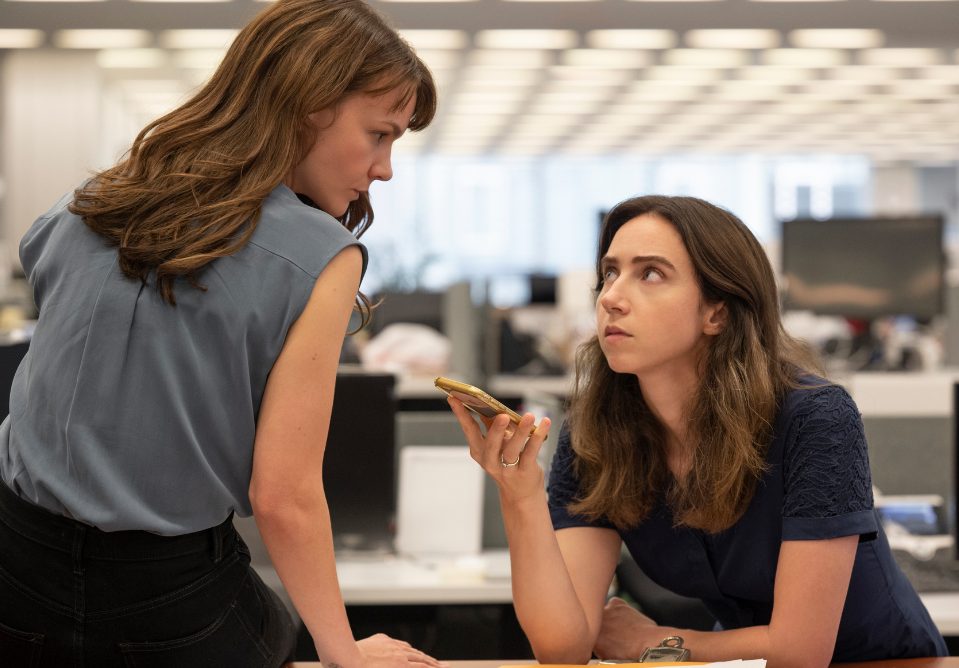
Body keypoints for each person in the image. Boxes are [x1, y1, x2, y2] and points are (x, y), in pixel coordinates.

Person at [0, 0, 443, 666]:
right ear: (308, 104)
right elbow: (283, 496)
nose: (383, 168)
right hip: (167, 596)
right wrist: (342, 653)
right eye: (379, 134)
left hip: (12, 570)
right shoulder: (320, 251)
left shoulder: (87, 205)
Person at [446, 195, 947, 666]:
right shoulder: (598, 432)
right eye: (610, 274)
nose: (612, 299)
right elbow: (564, 645)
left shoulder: (815, 418)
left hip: (885, 661)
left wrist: (658, 644)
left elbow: (800, 652)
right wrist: (521, 495)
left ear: (717, 311)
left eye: (651, 275)